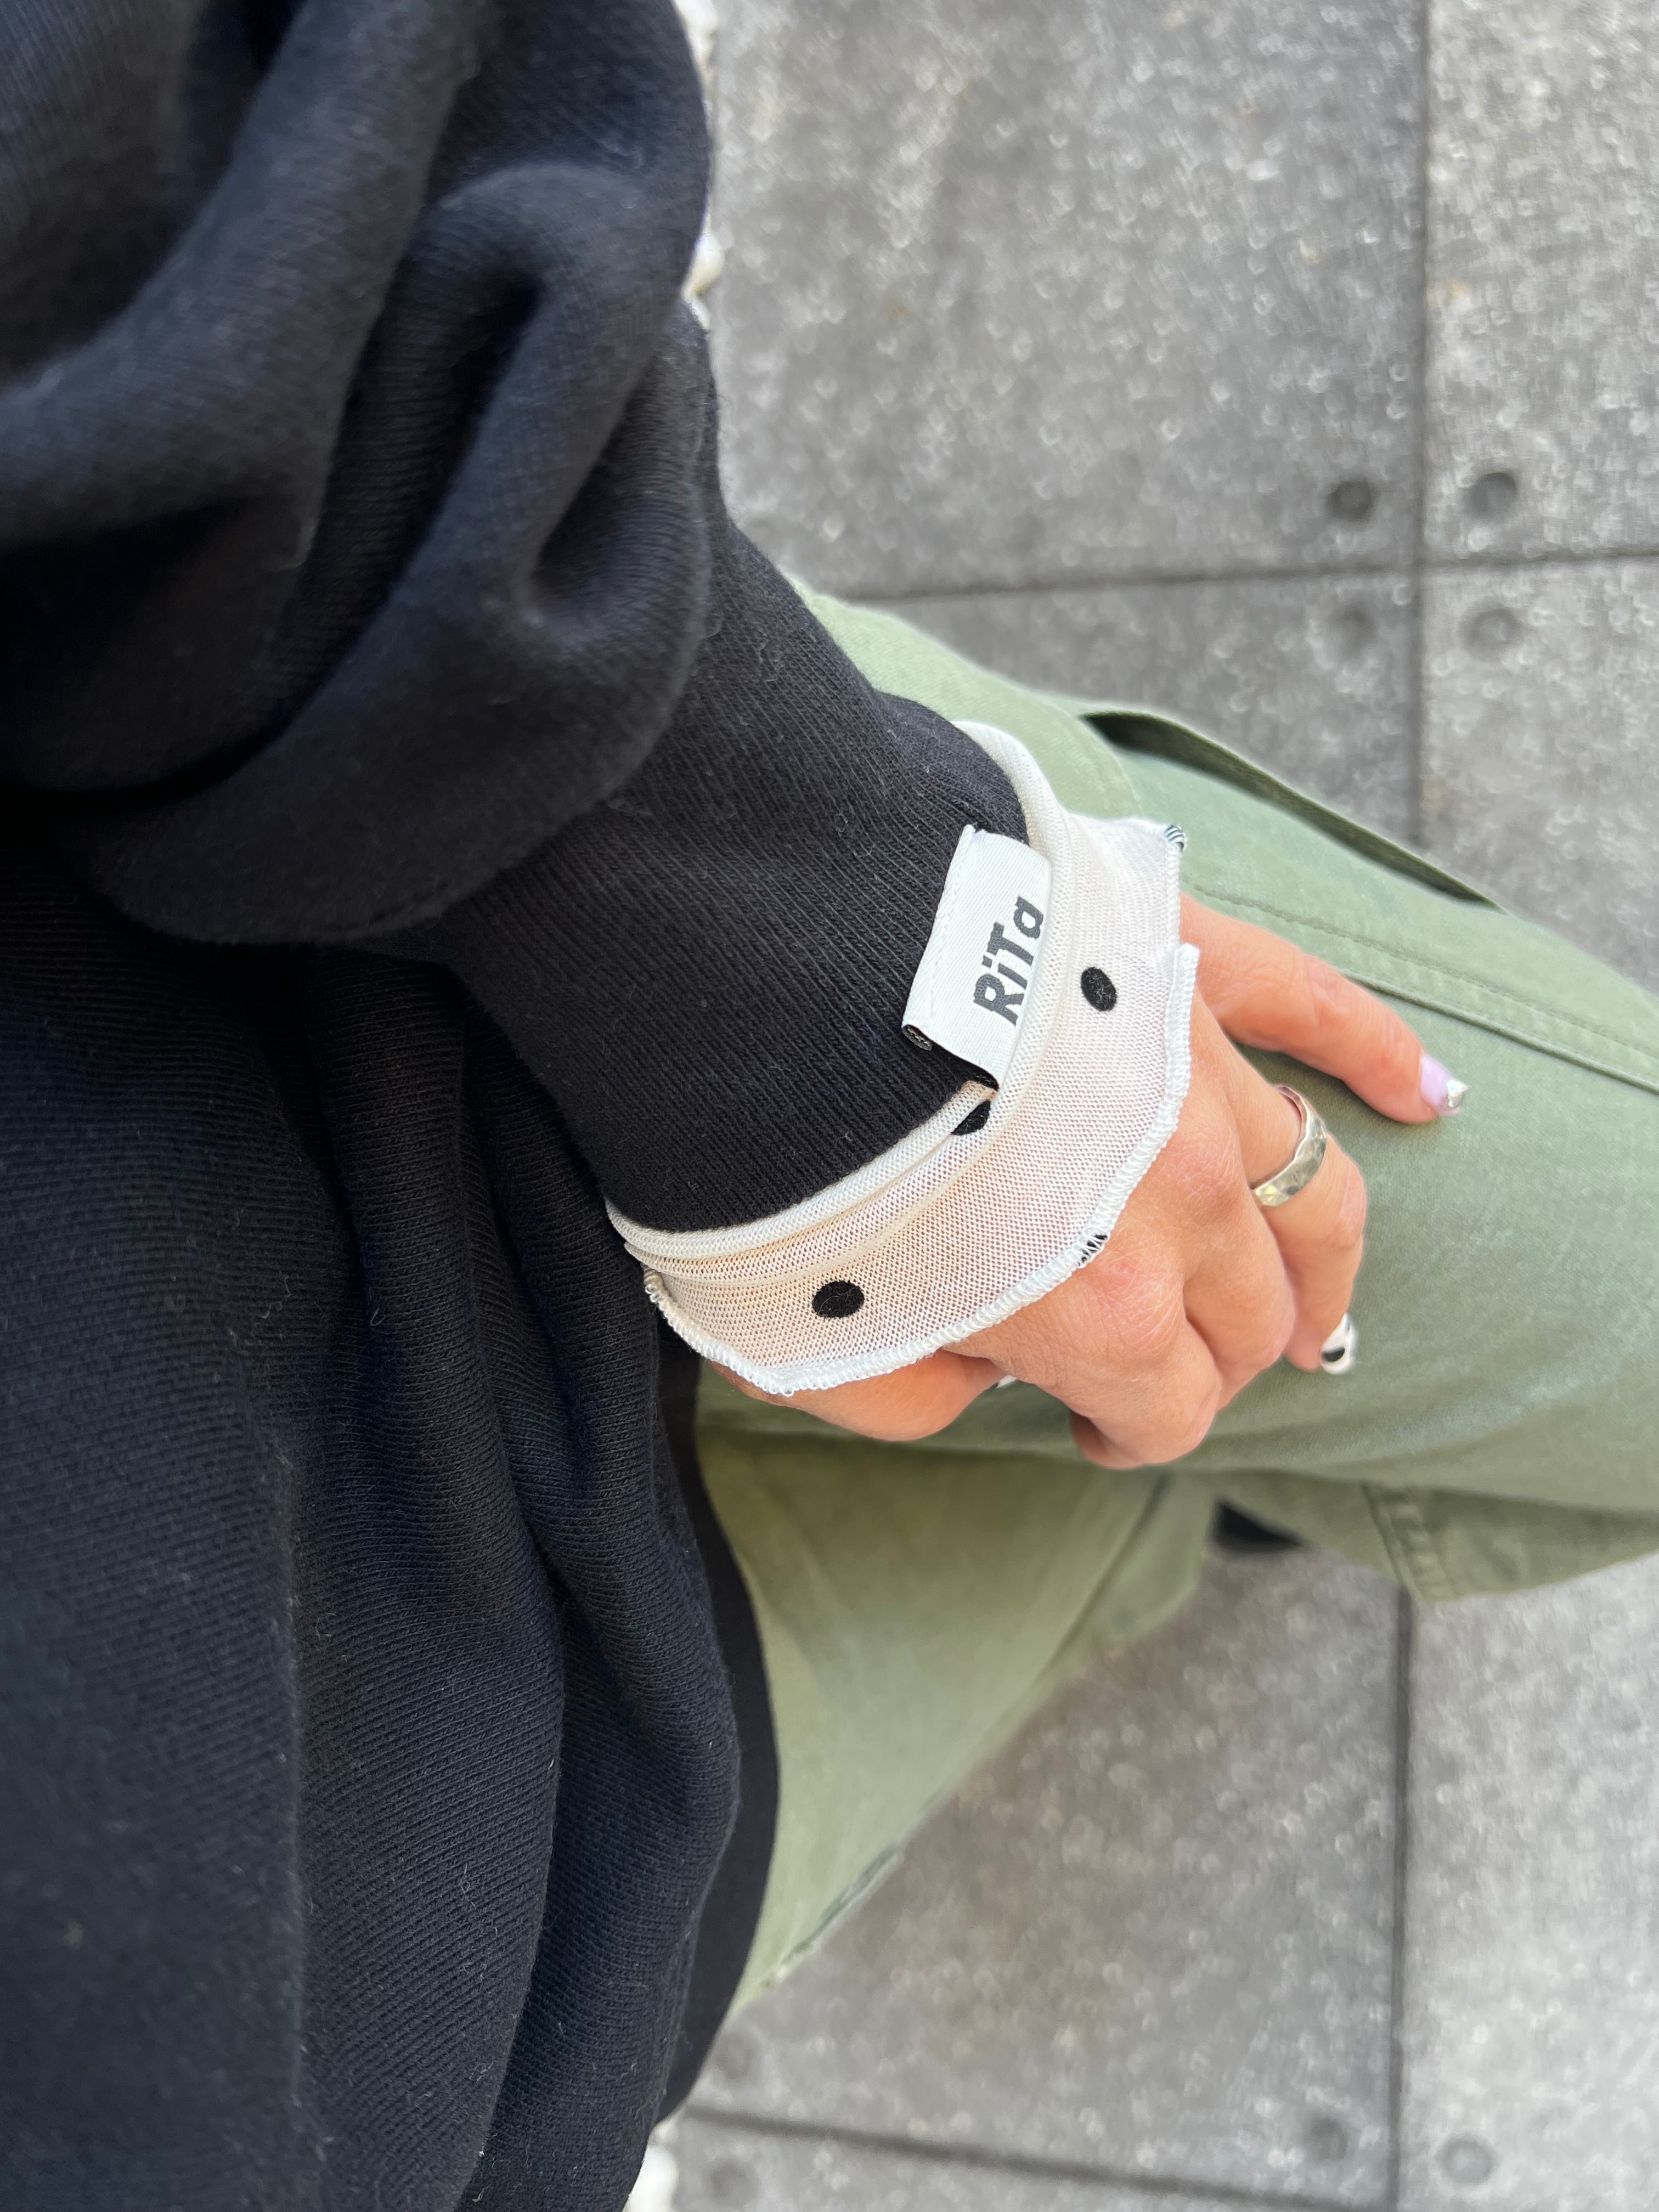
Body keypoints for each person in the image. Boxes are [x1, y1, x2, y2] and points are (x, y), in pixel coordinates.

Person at [0, 5, 1653, 2210]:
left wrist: (831, 968)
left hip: (463, 1002)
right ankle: (1184, 1473)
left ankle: (1182, 1423)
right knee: (1151, 1475)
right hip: (543, 1934)